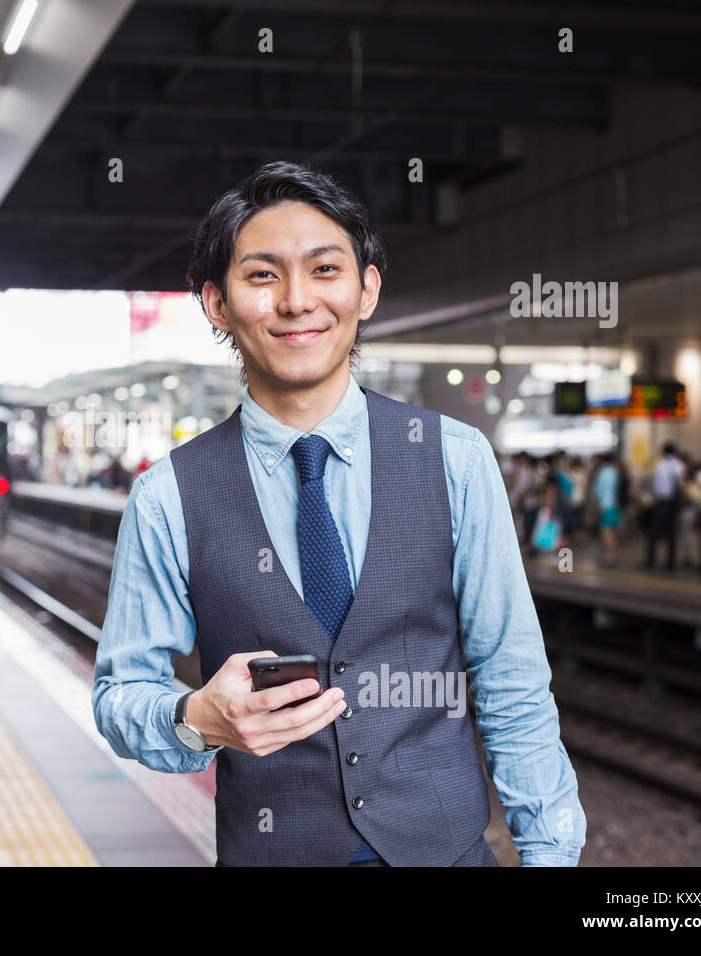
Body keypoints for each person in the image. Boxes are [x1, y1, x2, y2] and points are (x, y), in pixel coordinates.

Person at [92, 161, 584, 867]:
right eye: (262, 275)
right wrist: (195, 719)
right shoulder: (168, 493)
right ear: (217, 304)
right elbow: (121, 693)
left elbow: (511, 679)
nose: (297, 301)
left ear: (367, 290)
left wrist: (550, 856)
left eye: (325, 270)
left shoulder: (454, 459)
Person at [646, 442, 684, 570]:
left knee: (653, 533)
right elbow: (681, 483)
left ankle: (651, 560)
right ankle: (670, 562)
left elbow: (654, 484)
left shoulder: (659, 464)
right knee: (671, 534)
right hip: (673, 503)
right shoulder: (678, 465)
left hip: (660, 502)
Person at [593, 452, 621, 565]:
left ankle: (610, 556)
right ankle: (611, 553)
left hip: (605, 505)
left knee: (606, 531)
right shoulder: (615, 471)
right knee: (612, 531)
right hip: (614, 505)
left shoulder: (603, 472)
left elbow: (598, 490)